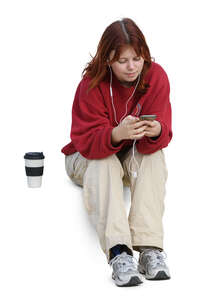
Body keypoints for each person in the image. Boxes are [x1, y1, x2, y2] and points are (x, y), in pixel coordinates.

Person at [61, 18, 173, 287]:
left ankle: (149, 250)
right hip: (84, 157)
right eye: (123, 61)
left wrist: (156, 130)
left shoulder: (155, 75)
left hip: (130, 155)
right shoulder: (91, 84)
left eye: (137, 58)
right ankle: (119, 252)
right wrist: (115, 134)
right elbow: (86, 141)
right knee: (104, 162)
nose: (132, 66)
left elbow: (162, 136)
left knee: (154, 157)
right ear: (107, 59)